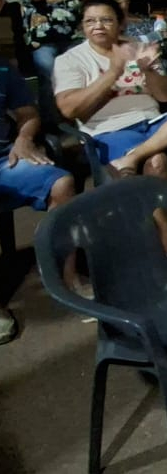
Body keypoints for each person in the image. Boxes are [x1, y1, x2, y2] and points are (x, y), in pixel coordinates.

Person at [54, 0, 167, 269]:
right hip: (109, 128)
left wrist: (147, 68)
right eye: (90, 21)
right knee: (157, 161)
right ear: (82, 26)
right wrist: (114, 70)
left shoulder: (139, 48)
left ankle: (132, 158)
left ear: (120, 23)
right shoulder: (70, 60)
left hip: (152, 123)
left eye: (106, 20)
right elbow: (70, 110)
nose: (98, 26)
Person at [1, 54, 81, 342]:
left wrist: (23, 139)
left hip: (4, 160)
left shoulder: (3, 66)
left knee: (61, 182)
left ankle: (65, 277)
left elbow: (28, 113)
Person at [14, 0, 95, 123]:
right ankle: (52, 124)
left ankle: (81, 118)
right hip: (44, 37)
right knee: (49, 79)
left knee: (80, 75)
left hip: (74, 33)